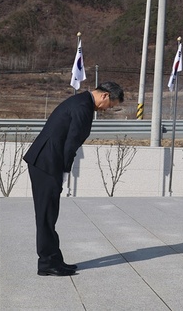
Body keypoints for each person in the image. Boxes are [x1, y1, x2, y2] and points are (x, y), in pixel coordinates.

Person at [23, 81, 124, 276]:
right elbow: (72, 142)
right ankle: (46, 263)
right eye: (110, 105)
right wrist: (65, 170)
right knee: (46, 216)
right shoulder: (83, 107)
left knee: (49, 215)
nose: (107, 109)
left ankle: (54, 259)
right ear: (105, 95)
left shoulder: (81, 102)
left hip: (46, 161)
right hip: (46, 163)